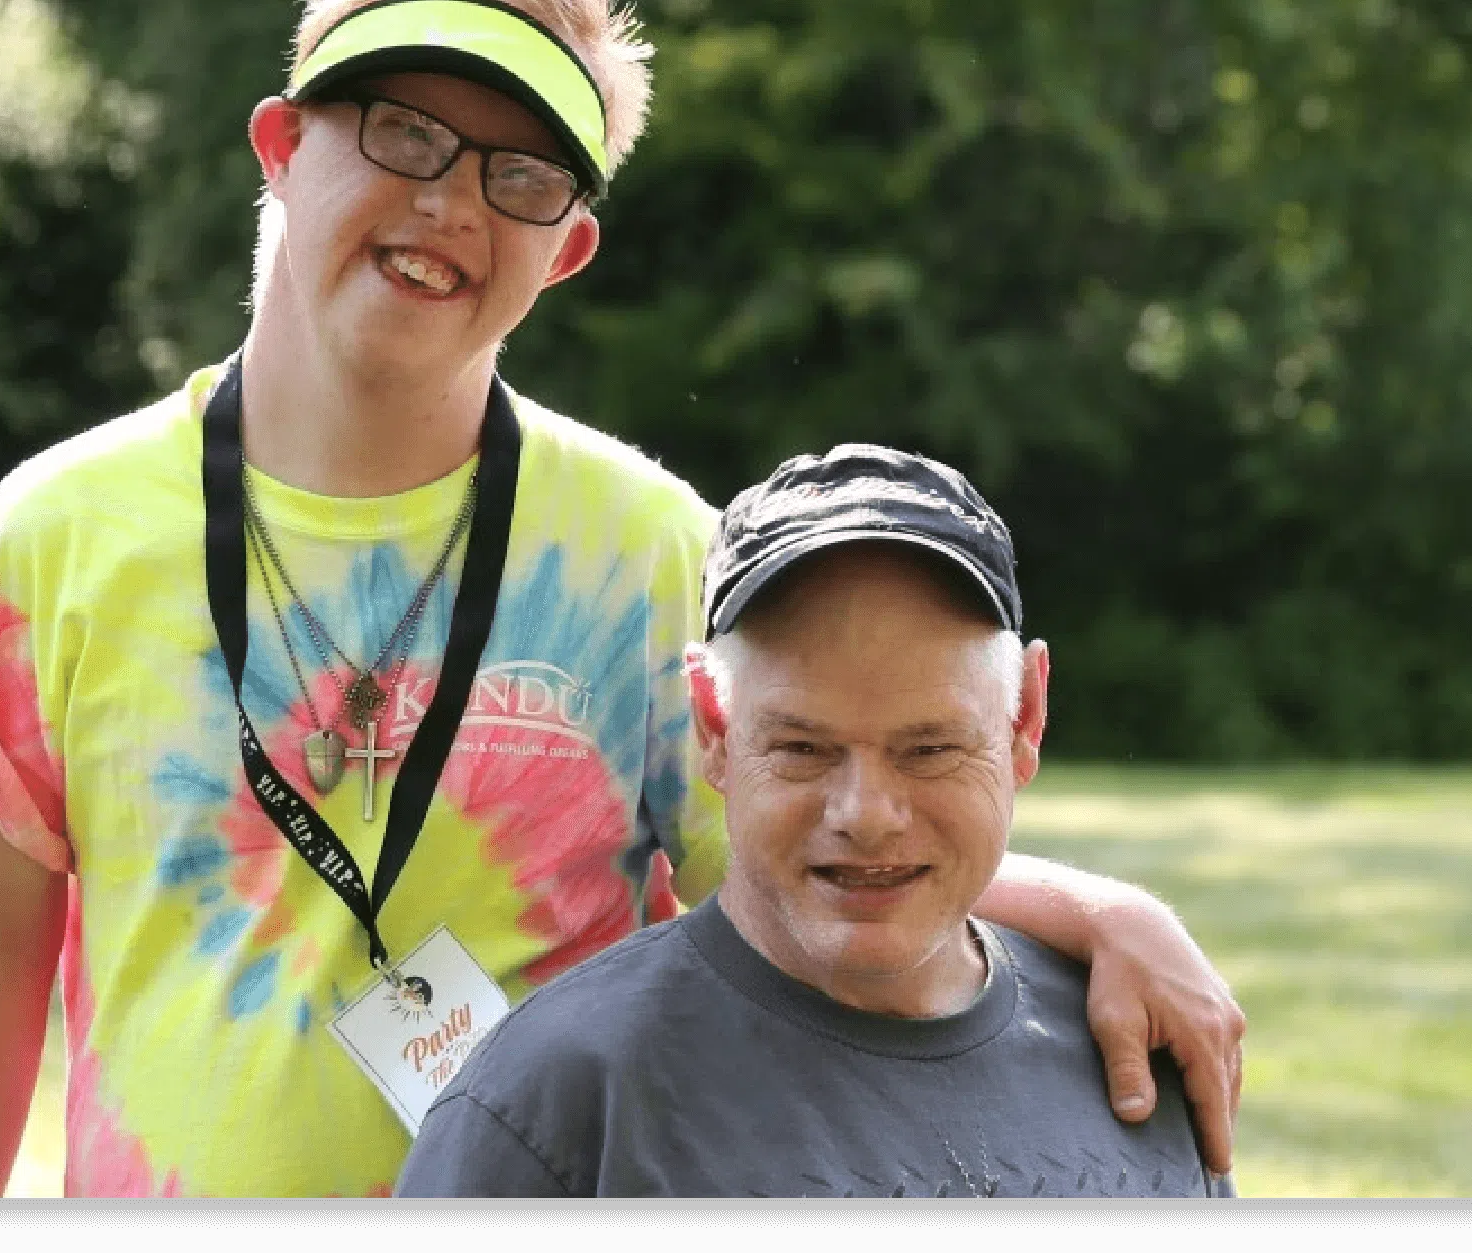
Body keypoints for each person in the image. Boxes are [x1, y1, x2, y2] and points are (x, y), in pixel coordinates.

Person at [0, 0, 1244, 1198]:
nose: (450, 201)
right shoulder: (51, 539)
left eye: (522, 173)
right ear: (284, 147)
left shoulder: (649, 555)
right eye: (403, 131)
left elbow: (820, 849)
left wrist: (1109, 914)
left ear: (569, 248)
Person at [397, 446, 1233, 1197]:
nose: (865, 815)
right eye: (802, 747)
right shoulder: (565, 1100)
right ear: (714, 729)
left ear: (1025, 721)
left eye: (929, 748)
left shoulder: (1127, 1044)